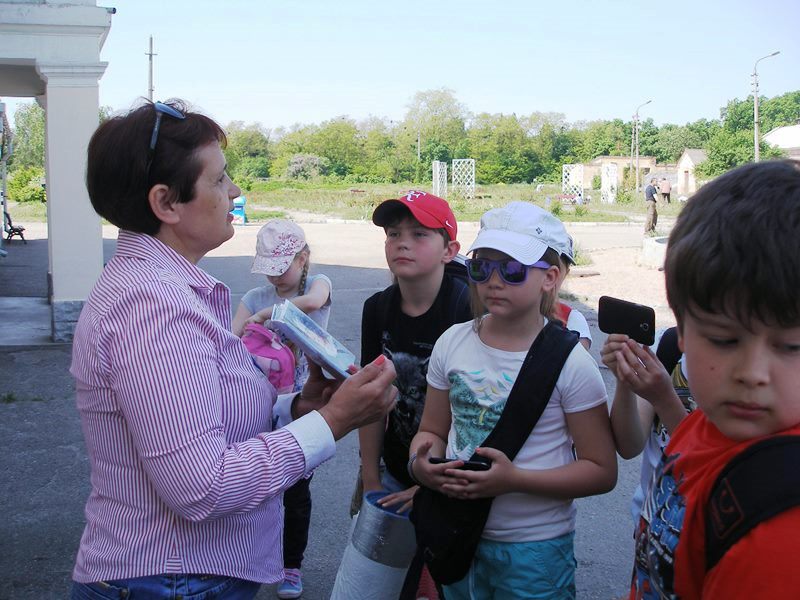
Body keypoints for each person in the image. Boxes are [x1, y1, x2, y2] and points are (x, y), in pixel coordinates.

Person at [69, 99, 397, 600]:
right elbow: (201, 486)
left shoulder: (164, 290)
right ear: (167, 203)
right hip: (172, 580)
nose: (235, 191)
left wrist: (299, 408)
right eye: (220, 179)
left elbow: (207, 419)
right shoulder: (153, 307)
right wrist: (333, 421)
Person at [410, 202, 617, 599]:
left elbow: (601, 470)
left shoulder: (572, 363)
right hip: (457, 533)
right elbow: (432, 431)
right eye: (481, 268)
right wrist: (422, 465)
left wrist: (514, 480)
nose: (493, 281)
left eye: (512, 269)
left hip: (534, 548)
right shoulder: (452, 342)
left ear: (550, 277)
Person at [630, 160, 800, 598]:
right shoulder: (707, 423)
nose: (752, 374)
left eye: (791, 346)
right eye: (724, 340)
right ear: (681, 333)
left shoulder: (780, 535)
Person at [233, 219, 332, 599]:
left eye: (282, 267)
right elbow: (231, 341)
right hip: (258, 407)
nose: (274, 277)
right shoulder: (254, 296)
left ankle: (291, 566)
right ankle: (250, 560)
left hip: (304, 405)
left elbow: (315, 302)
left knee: (295, 491)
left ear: (302, 258)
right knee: (254, 488)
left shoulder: (316, 285)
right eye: (269, 269)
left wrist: (267, 317)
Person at [356, 191, 470, 514]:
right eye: (394, 234)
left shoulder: (467, 309)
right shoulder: (377, 309)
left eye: (419, 234)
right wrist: (371, 479)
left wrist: (428, 484)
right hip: (394, 472)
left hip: (453, 475)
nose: (402, 243)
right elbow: (372, 400)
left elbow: (477, 411)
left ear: (449, 251)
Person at [601, 328, 694, 524]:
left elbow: (715, 462)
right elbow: (630, 446)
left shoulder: (746, 374)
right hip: (650, 521)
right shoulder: (667, 345)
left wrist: (665, 400)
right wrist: (625, 379)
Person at [551, 235, 592, 350]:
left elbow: (580, 359)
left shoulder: (572, 320)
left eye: (557, 270)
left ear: (566, 273)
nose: (549, 277)